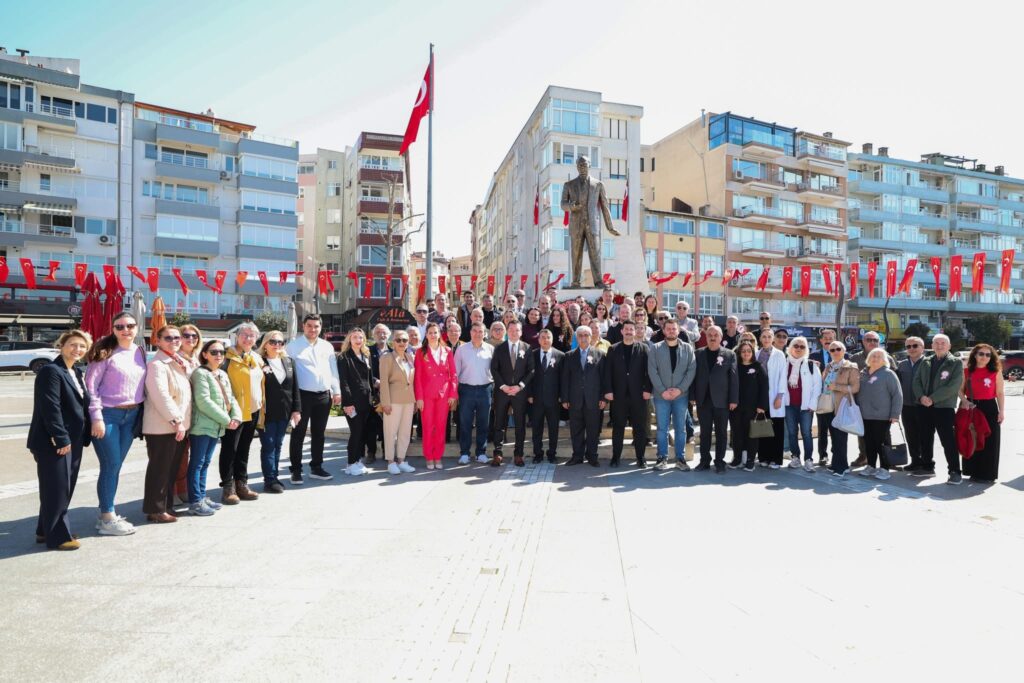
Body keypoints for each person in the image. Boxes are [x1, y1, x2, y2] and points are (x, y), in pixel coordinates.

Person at [29, 330, 92, 550]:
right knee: (57, 488)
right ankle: (58, 537)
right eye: (73, 345)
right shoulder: (50, 371)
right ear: (61, 346)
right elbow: (50, 407)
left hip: (74, 439)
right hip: (54, 441)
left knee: (60, 487)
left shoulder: (75, 371)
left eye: (82, 346)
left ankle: (44, 530)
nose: (78, 350)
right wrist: (60, 437)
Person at [84, 311, 144, 537]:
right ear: (113, 329)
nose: (125, 330)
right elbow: (91, 388)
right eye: (119, 326)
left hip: (131, 416)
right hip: (108, 416)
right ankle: (107, 517)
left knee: (116, 465)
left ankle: (106, 513)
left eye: (129, 325)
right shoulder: (104, 352)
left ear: (137, 328)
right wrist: (96, 417)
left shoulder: (139, 351)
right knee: (111, 464)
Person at [142, 325, 192, 523]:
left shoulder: (177, 361)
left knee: (170, 469)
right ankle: (155, 509)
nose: (174, 341)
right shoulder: (157, 365)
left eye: (177, 338)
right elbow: (160, 395)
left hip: (178, 426)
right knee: (159, 469)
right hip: (163, 427)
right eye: (168, 338)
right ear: (158, 341)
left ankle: (166, 505)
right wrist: (177, 421)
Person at [286, 314, 341, 484]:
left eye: (316, 326)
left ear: (320, 327)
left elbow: (333, 370)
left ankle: (316, 467)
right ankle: (296, 470)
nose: (313, 329)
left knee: (319, 434)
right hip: (302, 396)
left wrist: (336, 391)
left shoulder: (327, 347)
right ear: (304, 326)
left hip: (323, 396)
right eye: (309, 326)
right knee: (298, 434)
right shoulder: (292, 347)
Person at [188, 340, 241, 515]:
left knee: (205, 463)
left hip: (216, 426)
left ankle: (202, 497)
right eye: (214, 352)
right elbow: (203, 401)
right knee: (197, 463)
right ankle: (195, 501)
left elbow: (231, 398)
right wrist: (227, 420)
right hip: (202, 426)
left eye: (221, 352)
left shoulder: (221, 373)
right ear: (204, 354)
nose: (219, 355)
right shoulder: (200, 373)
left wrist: (236, 416)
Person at [221, 322, 264, 504]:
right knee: (230, 450)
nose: (247, 338)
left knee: (244, 450)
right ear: (237, 336)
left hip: (253, 410)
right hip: (235, 413)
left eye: (251, 335)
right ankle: (228, 487)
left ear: (256, 339)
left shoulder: (256, 358)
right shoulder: (226, 358)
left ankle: (242, 483)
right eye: (244, 335)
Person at [911, 334, 963, 484]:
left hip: (943, 407)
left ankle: (954, 471)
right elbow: (917, 381)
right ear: (932, 345)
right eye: (937, 343)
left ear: (949, 346)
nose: (940, 346)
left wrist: (932, 399)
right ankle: (927, 467)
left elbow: (953, 386)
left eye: (943, 343)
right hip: (924, 406)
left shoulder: (955, 363)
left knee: (948, 441)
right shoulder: (926, 361)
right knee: (925, 438)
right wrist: (921, 397)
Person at [648, 319, 697, 470]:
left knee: (680, 428)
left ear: (678, 331)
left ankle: (680, 459)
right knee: (662, 428)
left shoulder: (688, 348)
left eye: (673, 329)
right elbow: (652, 370)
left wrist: (680, 389)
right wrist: (662, 390)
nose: (671, 331)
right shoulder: (655, 348)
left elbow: (691, 370)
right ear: (663, 331)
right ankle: (662, 458)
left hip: (680, 396)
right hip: (661, 395)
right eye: (668, 329)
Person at [604, 321, 653, 468]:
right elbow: (608, 372)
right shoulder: (613, 349)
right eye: (627, 329)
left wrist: (647, 390)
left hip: (639, 396)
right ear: (622, 331)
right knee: (618, 427)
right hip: (618, 396)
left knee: (640, 428)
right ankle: (615, 457)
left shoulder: (644, 348)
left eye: (632, 329)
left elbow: (649, 372)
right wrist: (608, 390)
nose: (629, 332)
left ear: (636, 331)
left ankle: (641, 458)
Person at [257, 331, 300, 493]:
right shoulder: (259, 362)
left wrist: (297, 409)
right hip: (266, 412)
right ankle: (269, 480)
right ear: (265, 344)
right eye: (273, 342)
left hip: (285, 411)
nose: (277, 345)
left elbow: (295, 387)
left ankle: (274, 476)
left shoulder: (289, 362)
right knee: (268, 445)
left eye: (280, 342)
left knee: (278, 444)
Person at [692, 326, 739, 473]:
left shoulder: (729, 354)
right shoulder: (698, 353)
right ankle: (704, 461)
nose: (712, 337)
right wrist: (693, 396)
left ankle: (720, 462)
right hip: (703, 400)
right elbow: (693, 376)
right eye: (710, 335)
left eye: (715, 335)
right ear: (706, 337)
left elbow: (734, 378)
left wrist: (733, 399)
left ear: (721, 338)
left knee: (721, 433)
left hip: (722, 401)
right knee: (704, 433)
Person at [489, 319, 535, 467]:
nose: (514, 333)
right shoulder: (500, 348)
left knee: (520, 424)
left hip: (519, 392)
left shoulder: (527, 348)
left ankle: (518, 454)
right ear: (507, 332)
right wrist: (503, 386)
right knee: (499, 423)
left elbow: (531, 370)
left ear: (521, 332)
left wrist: (519, 386)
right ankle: (497, 453)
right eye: (511, 330)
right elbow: (494, 369)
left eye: (517, 330)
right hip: (502, 391)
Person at [560, 326, 607, 466]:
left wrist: (603, 398)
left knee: (593, 430)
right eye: (580, 335)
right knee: (576, 430)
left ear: (591, 336)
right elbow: (565, 379)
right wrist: (565, 398)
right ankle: (577, 456)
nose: (583, 337)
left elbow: (604, 378)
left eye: (586, 335)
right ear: (576, 337)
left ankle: (592, 456)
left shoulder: (600, 354)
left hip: (593, 400)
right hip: (575, 400)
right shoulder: (568, 356)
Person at [414, 322, 458, 469]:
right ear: (426, 335)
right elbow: (418, 377)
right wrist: (419, 397)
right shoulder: (421, 352)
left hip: (444, 395)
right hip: (427, 395)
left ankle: (438, 456)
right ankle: (429, 457)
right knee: (427, 427)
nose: (433, 335)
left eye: (435, 332)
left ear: (440, 334)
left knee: (440, 427)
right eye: (430, 332)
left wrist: (452, 394)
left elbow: (453, 375)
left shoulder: (447, 350)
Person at [856, 348, 903, 481]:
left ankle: (884, 468)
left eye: (878, 356)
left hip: (882, 416)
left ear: (884, 360)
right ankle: (871, 465)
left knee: (882, 443)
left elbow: (897, 395)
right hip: (865, 415)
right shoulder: (863, 373)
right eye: (873, 356)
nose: (875, 358)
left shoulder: (888, 374)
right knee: (869, 442)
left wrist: (895, 414)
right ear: (868, 358)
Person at [960, 344, 1004, 483]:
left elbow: (1000, 393)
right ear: (975, 355)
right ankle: (973, 472)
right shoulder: (966, 371)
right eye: (981, 354)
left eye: (987, 355)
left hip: (990, 407)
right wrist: (964, 401)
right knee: (972, 438)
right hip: (971, 406)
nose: (984, 357)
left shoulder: (995, 371)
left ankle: (987, 474)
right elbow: (960, 390)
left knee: (991, 440)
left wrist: (1001, 411)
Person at [455, 321, 494, 465]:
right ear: (470, 332)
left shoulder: (490, 349)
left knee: (483, 423)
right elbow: (455, 372)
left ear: (485, 334)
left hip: (485, 389)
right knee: (465, 423)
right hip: (466, 390)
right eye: (475, 331)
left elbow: (494, 371)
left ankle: (481, 453)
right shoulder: (461, 349)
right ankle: (464, 453)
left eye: (480, 331)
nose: (477, 334)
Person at [337, 327, 375, 476]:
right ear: (349, 339)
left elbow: (369, 379)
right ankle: (350, 463)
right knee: (355, 432)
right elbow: (344, 381)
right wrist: (347, 403)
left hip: (366, 401)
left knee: (362, 433)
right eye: (355, 338)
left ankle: (358, 460)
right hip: (352, 402)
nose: (358, 340)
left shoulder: (366, 355)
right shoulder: (344, 357)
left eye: (360, 338)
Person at [379, 330, 417, 475]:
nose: (402, 343)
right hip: (393, 401)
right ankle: (390, 461)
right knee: (390, 432)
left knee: (405, 432)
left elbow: (411, 382)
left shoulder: (409, 357)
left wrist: (413, 401)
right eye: (399, 340)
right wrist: (385, 403)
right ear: (393, 342)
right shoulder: (387, 358)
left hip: (408, 400)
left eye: (405, 340)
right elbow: (383, 382)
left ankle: (401, 460)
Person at [819, 341, 859, 477]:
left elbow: (855, 388)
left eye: (838, 349)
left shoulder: (851, 366)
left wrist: (837, 387)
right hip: (827, 406)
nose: (835, 352)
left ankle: (842, 467)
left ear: (844, 350)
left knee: (840, 438)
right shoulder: (829, 366)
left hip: (841, 406)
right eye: (832, 350)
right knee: (834, 438)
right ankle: (836, 463)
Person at [173, 323, 202, 504]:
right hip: (179, 412)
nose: (190, 338)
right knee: (178, 455)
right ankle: (174, 492)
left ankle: (183, 490)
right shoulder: (175, 359)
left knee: (189, 456)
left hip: (197, 414)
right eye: (186, 335)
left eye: (194, 335)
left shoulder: (198, 359)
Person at [783, 336, 822, 472]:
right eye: (796, 346)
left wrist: (813, 405)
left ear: (806, 349)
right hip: (789, 405)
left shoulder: (811, 365)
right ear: (791, 347)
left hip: (806, 407)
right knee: (792, 433)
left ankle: (808, 459)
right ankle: (796, 458)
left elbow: (817, 386)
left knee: (806, 433)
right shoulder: (784, 363)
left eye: (802, 346)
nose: (798, 348)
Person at [729, 341, 769, 471]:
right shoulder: (735, 366)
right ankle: (737, 459)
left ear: (752, 352)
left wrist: (762, 405)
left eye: (749, 351)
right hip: (736, 407)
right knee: (737, 434)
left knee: (752, 435)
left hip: (753, 408)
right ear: (739, 353)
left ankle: (751, 460)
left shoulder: (758, 366)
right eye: (743, 351)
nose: (746, 353)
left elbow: (764, 387)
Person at [529, 329, 564, 464]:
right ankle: (538, 453)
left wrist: (562, 396)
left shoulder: (560, 355)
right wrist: (530, 394)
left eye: (548, 337)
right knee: (536, 428)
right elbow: (529, 377)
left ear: (552, 339)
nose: (545, 340)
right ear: (538, 340)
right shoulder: (532, 354)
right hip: (536, 399)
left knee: (553, 428)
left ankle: (551, 453)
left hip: (554, 399)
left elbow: (563, 378)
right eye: (542, 337)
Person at [757, 328, 788, 469]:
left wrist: (780, 396)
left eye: (769, 337)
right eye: (764, 336)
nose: (766, 339)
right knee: (763, 426)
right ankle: (764, 457)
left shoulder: (779, 355)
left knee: (776, 428)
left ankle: (776, 459)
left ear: (773, 339)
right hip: (761, 397)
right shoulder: (756, 354)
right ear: (760, 339)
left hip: (775, 396)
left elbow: (783, 377)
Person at [896, 336, 926, 472]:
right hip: (906, 405)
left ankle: (925, 462)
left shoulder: (928, 363)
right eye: (908, 346)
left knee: (924, 435)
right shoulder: (902, 364)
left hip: (924, 406)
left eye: (915, 346)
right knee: (911, 434)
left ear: (922, 348)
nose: (912, 349)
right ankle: (915, 461)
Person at [814, 327, 839, 467]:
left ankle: (837, 455)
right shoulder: (813, 356)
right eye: (825, 339)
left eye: (831, 339)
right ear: (821, 340)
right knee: (822, 429)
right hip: (821, 399)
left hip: (837, 399)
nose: (828, 341)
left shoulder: (843, 356)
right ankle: (822, 456)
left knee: (836, 429)